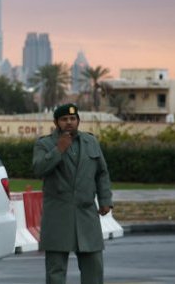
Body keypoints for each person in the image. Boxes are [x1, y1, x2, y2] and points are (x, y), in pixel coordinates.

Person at [33, 103, 113, 284]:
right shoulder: (44, 144)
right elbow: (39, 169)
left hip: (86, 214)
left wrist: (105, 199)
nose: (69, 122)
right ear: (56, 122)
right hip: (58, 215)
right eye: (64, 119)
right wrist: (58, 149)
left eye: (72, 119)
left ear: (78, 120)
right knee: (56, 272)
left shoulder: (90, 141)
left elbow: (101, 173)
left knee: (94, 266)